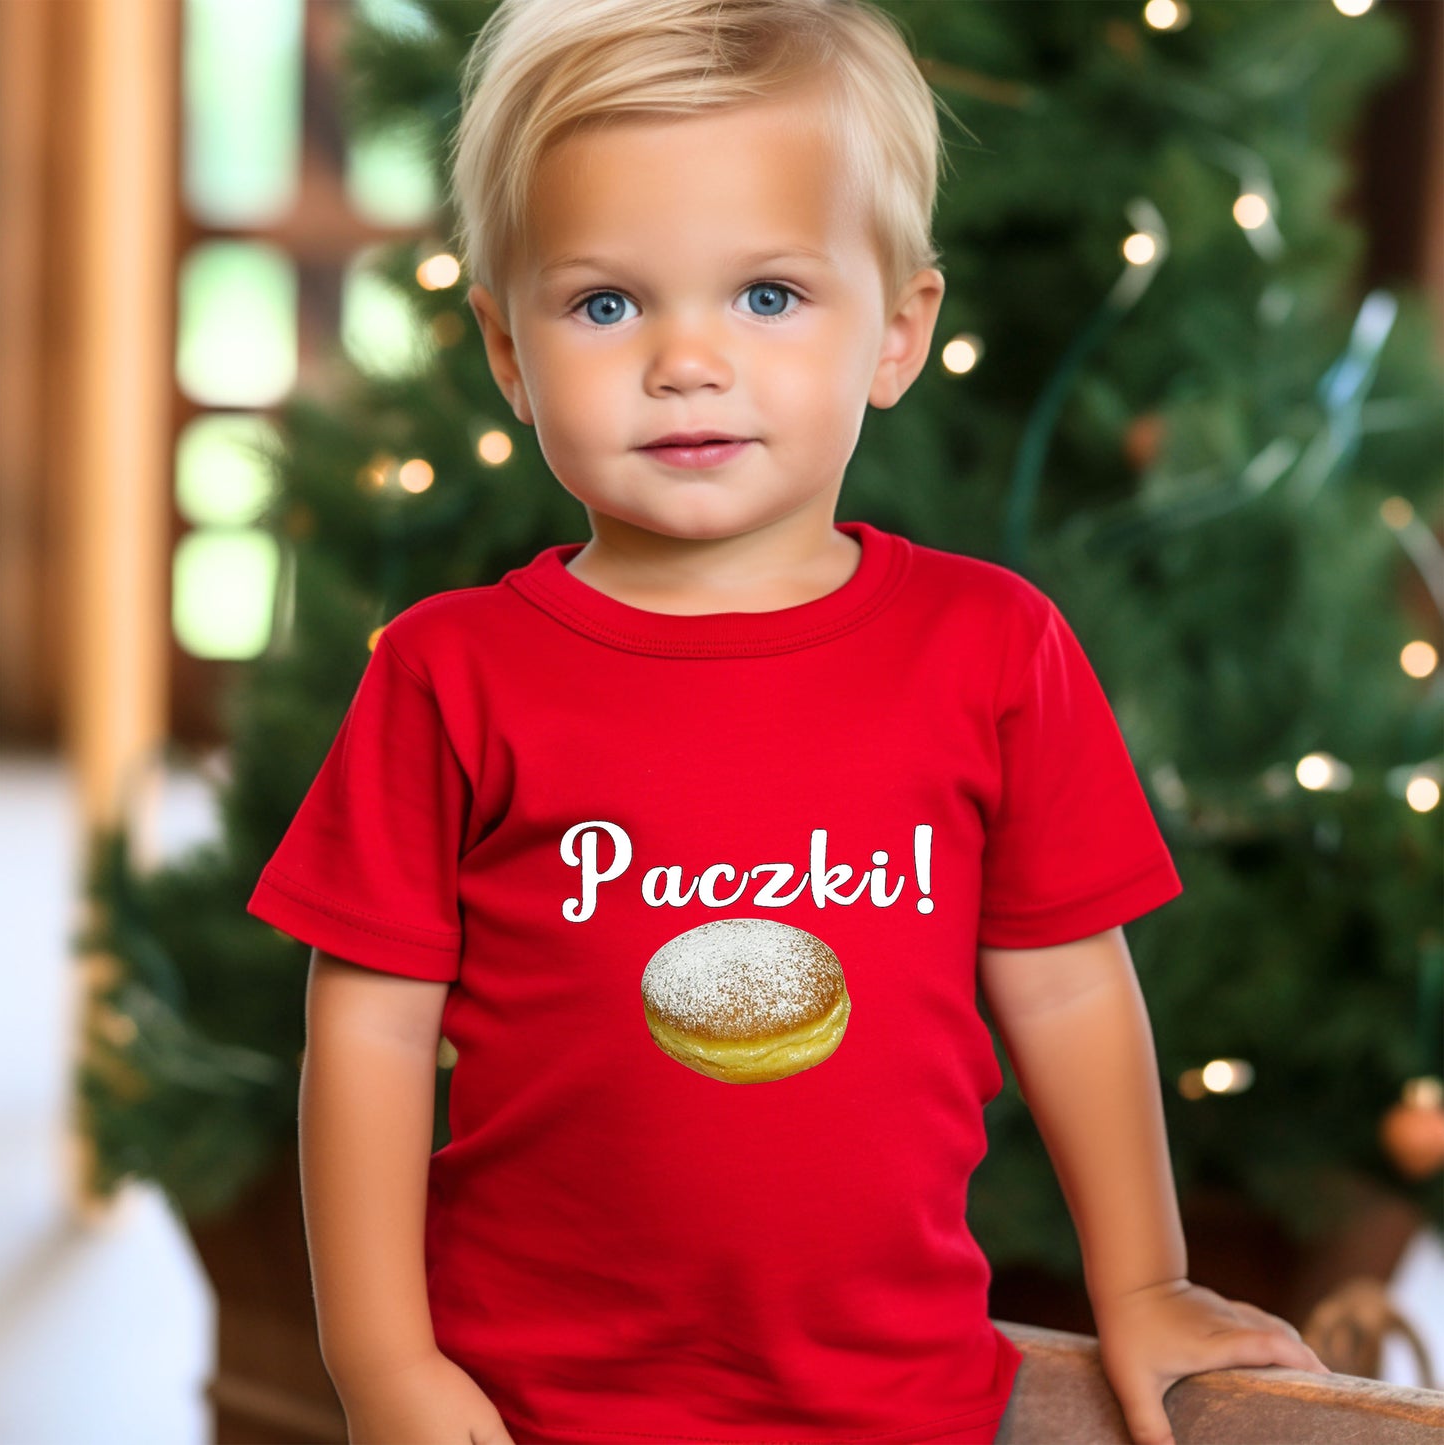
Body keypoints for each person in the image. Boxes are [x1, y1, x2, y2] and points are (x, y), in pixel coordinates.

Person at [246, 1, 1332, 1442]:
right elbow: (369, 1032)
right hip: (530, 1401)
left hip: (898, 1401)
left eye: (766, 295)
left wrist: (1143, 1279)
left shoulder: (990, 649)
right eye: (606, 305)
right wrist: (384, 1362)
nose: (687, 360)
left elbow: (1070, 985)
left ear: (897, 332)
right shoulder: (451, 674)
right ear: (507, 352)